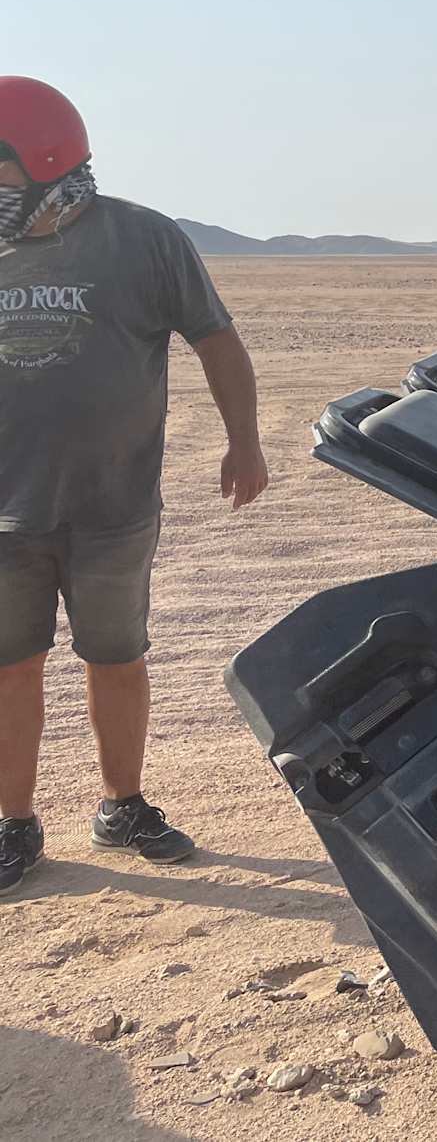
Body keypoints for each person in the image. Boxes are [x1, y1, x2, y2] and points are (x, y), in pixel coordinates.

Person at [0, 78, 269, 899]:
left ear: (45, 159)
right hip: (4, 511)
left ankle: (122, 806)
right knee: (10, 667)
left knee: (117, 658)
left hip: (112, 507)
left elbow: (215, 339)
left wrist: (244, 442)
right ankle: (14, 823)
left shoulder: (143, 239)